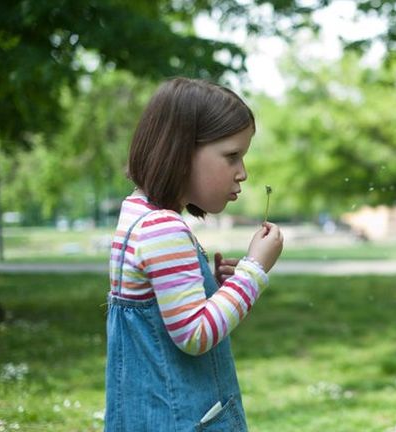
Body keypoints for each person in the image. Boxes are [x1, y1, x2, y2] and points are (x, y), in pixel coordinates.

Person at [105, 77, 283, 431]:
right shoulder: (164, 229)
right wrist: (254, 270)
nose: (243, 173)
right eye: (232, 156)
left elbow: (162, 310)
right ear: (181, 151)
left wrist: (211, 289)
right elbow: (195, 334)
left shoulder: (137, 215)